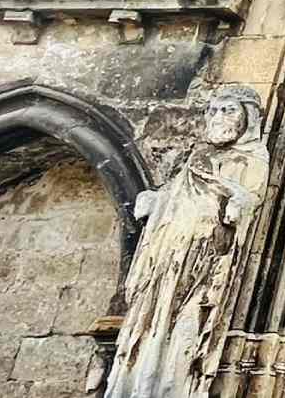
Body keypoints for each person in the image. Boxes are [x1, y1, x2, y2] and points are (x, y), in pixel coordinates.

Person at [106, 86, 270, 398]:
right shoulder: (198, 157)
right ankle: (138, 382)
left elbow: (249, 196)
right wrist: (155, 199)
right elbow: (177, 190)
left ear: (248, 118)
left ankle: (174, 383)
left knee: (188, 315)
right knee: (151, 314)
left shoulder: (253, 159)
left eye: (229, 110)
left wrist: (239, 201)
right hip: (169, 250)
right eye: (214, 110)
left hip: (207, 253)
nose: (218, 117)